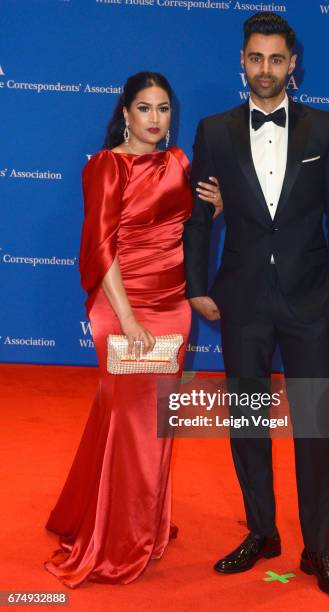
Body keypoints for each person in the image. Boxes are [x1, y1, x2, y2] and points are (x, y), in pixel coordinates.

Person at [183, 13, 329, 599]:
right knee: (248, 421)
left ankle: (317, 549)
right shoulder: (213, 131)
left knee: (312, 428)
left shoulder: (327, 130)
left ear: (293, 63)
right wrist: (197, 284)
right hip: (243, 300)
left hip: (312, 303)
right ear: (242, 60)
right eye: (255, 58)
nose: (265, 69)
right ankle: (262, 532)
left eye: (276, 59)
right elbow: (200, 216)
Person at [44, 72, 221, 588]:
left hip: (172, 306)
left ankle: (137, 520)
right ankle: (116, 542)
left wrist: (217, 209)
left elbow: (188, 226)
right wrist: (126, 319)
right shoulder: (106, 166)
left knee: (149, 419)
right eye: (144, 108)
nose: (154, 119)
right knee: (132, 420)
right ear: (125, 112)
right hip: (123, 303)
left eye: (163, 109)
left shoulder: (180, 162)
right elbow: (102, 247)